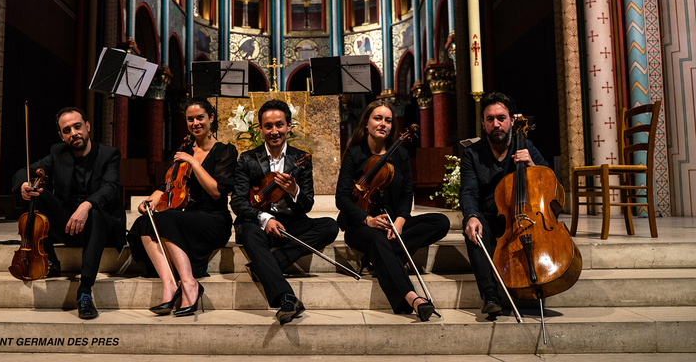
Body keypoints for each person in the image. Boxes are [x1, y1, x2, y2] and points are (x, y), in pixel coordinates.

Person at [335, 100, 450, 321]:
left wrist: (400, 221)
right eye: (377, 118)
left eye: (388, 120)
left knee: (440, 222)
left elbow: (407, 194)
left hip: (392, 224)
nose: (383, 124)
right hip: (360, 225)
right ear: (366, 123)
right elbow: (341, 198)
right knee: (377, 240)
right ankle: (413, 298)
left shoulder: (401, 155)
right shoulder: (354, 153)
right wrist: (367, 219)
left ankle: (378, 259)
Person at [230, 99, 339, 325]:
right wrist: (265, 218)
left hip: (290, 221)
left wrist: (294, 190)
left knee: (330, 225)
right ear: (260, 129)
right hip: (259, 221)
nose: (274, 131)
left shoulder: (301, 159)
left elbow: (307, 204)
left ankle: (271, 262)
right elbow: (238, 202)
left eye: (279, 125)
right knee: (250, 232)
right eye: (268, 126)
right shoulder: (248, 159)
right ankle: (286, 298)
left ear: (289, 126)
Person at [128, 98, 237, 316]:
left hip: (213, 219)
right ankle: (169, 284)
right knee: (144, 222)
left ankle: (190, 283)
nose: (195, 123)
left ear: (211, 118)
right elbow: (166, 185)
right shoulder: (183, 149)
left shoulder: (225, 151)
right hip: (186, 217)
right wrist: (150, 200)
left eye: (200, 118)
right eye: (190, 119)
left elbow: (217, 191)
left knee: (166, 219)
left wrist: (195, 162)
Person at [13, 106, 123, 320]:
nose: (74, 133)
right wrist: (23, 185)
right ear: (61, 135)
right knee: (38, 192)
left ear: (87, 126)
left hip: (101, 227)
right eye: (67, 130)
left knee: (95, 212)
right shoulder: (57, 152)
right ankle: (50, 261)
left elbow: (109, 188)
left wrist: (87, 205)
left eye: (77, 126)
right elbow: (25, 171)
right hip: (69, 225)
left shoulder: (109, 154)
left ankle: (84, 290)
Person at [460, 91, 549, 316]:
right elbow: (468, 191)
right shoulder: (472, 154)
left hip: (524, 218)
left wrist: (531, 164)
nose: (496, 124)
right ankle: (490, 295)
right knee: (473, 231)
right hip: (489, 218)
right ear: (483, 123)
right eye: (490, 119)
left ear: (511, 120)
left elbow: (550, 182)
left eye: (501, 118)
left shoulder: (525, 146)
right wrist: (471, 216)